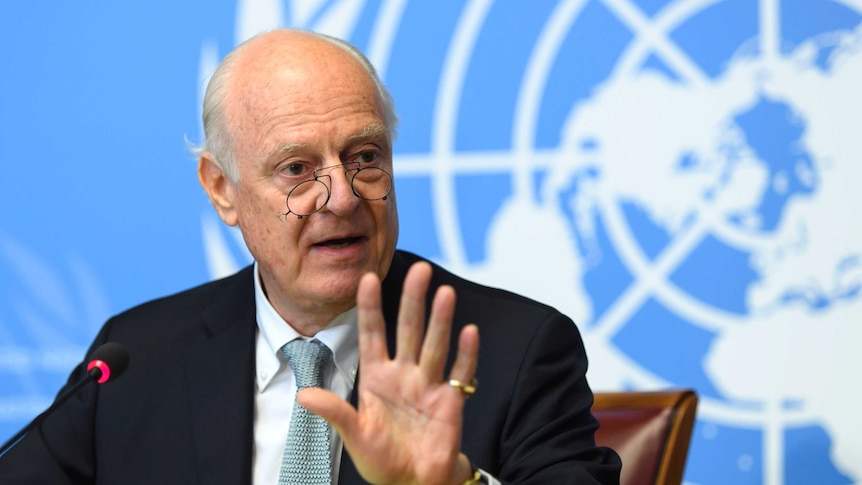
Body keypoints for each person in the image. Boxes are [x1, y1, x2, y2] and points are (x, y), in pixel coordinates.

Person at [0, 29, 621, 484]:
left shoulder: (517, 351)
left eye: (366, 157)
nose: (344, 198)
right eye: (298, 169)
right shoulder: (135, 357)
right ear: (222, 189)